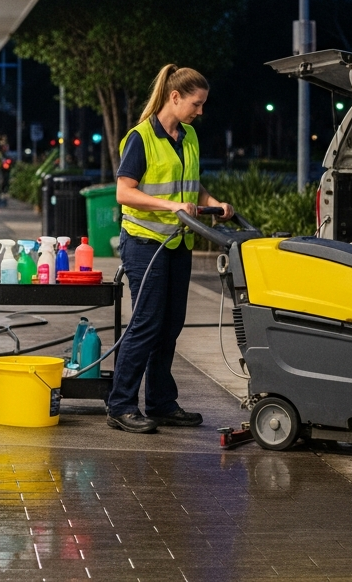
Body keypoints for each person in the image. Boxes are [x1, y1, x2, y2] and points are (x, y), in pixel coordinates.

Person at [108, 64, 233, 433]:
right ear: (174, 97)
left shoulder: (189, 136)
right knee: (146, 324)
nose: (200, 111)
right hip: (146, 243)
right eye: (196, 103)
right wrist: (172, 207)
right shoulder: (141, 137)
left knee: (170, 326)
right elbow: (124, 191)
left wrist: (215, 203)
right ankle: (120, 405)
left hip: (179, 243)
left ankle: (161, 403)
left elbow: (191, 186)